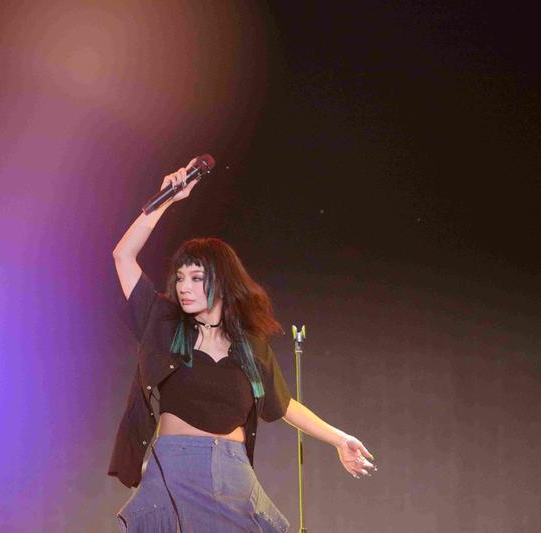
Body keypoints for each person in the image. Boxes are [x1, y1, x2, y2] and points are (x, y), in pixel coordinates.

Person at [109, 157, 376, 532]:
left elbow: (283, 404)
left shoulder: (249, 345)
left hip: (233, 473)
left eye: (196, 277)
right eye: (180, 277)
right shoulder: (165, 324)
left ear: (221, 281)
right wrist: (167, 199)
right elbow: (123, 256)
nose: (184, 286)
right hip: (175, 470)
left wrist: (339, 439)